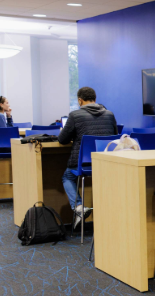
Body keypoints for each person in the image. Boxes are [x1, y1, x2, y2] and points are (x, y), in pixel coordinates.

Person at [58, 87, 118, 227]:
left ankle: (79, 207)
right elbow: (115, 135)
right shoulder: (109, 114)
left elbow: (62, 140)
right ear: (95, 99)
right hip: (106, 162)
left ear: (80, 100)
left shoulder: (75, 115)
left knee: (67, 177)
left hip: (83, 164)